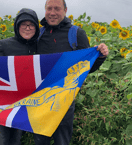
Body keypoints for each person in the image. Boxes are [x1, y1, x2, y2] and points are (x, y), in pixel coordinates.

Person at [34, 0, 109, 145]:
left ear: (65, 10)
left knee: (62, 141)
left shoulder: (76, 34)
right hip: (40, 99)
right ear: (45, 10)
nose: (53, 13)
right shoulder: (39, 34)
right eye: (49, 9)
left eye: (57, 9)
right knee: (40, 141)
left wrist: (100, 56)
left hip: (64, 100)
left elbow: (87, 68)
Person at [0, 8, 40, 145]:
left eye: (31, 24)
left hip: (26, 105)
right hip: (2, 104)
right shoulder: (4, 45)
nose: (27, 28)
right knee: (1, 141)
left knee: (16, 141)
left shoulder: (40, 46)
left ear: (36, 27)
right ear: (17, 26)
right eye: (23, 24)